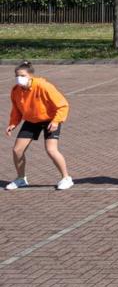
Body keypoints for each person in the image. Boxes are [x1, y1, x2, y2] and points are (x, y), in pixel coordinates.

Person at [5, 61, 73, 190]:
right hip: (31, 121)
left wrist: (56, 121)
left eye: (23, 75)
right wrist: (13, 123)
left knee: (51, 150)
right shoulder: (16, 91)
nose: (19, 78)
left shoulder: (43, 86)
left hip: (50, 119)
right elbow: (16, 110)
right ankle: (21, 179)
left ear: (30, 75)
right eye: (17, 75)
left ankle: (66, 178)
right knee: (17, 150)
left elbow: (63, 105)